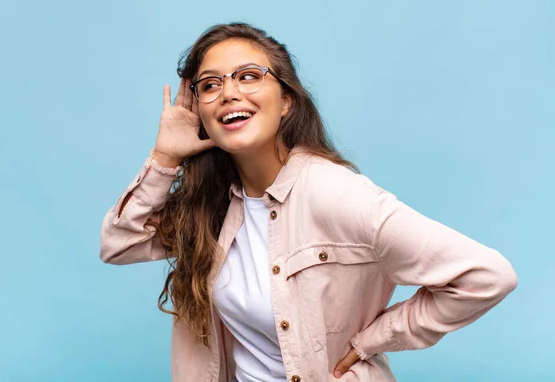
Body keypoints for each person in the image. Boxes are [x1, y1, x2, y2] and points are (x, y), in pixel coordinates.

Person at [100, 23, 518, 382]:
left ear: (286, 101)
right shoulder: (214, 205)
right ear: (202, 114)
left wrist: (372, 341)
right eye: (210, 85)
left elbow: (486, 276)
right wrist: (165, 159)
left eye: (248, 76)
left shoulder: (336, 194)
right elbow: (119, 245)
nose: (228, 92)